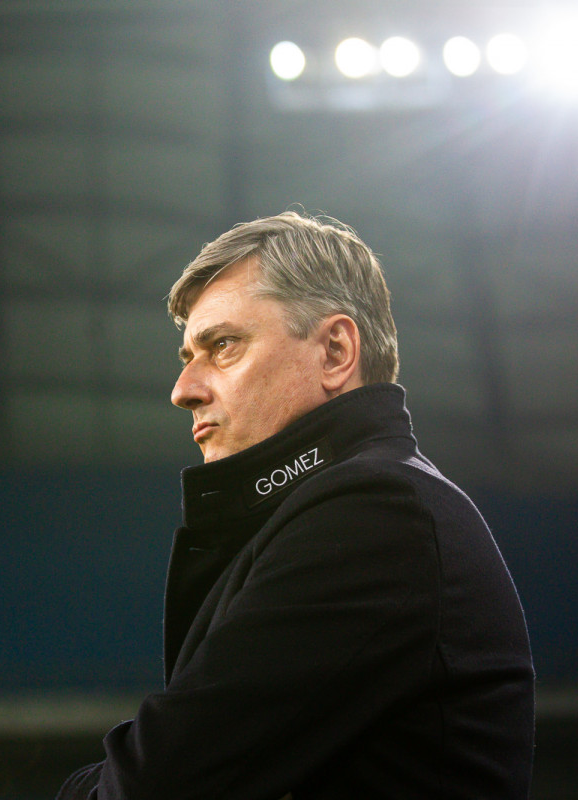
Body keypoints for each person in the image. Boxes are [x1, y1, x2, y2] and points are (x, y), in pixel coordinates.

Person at [57, 211, 534, 799]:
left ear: (335, 352)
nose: (184, 391)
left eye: (223, 346)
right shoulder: (352, 508)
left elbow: (155, 786)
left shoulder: (376, 514)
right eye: (187, 357)